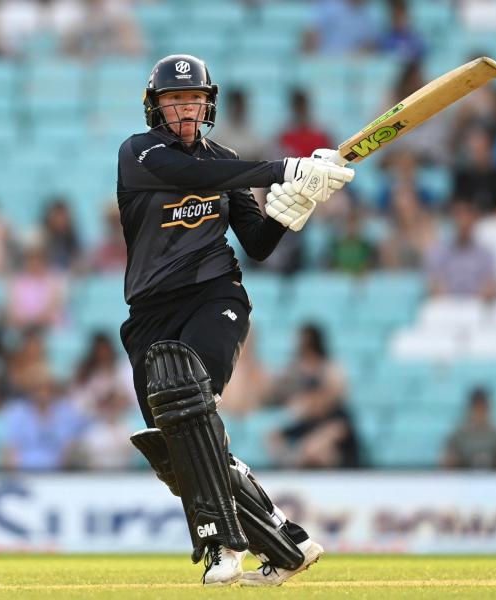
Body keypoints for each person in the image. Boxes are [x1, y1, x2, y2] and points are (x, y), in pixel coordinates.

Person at [115, 54, 354, 586]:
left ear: (208, 106)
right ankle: (288, 543)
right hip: (149, 313)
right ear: (155, 108)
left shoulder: (225, 162)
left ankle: (223, 542)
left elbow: (259, 244)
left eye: (194, 101)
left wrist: (295, 206)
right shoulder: (139, 153)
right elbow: (192, 173)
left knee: (187, 399)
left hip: (214, 296)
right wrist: (283, 168)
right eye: (174, 102)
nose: (185, 110)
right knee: (177, 446)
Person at [268, 325, 359, 469]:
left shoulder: (339, 421)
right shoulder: (298, 372)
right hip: (309, 426)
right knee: (274, 437)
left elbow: (316, 444)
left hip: (341, 466)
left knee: (322, 452)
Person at [444, 388, 496, 469]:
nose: (479, 412)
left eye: (483, 408)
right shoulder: (460, 432)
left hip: (494, 478)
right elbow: (449, 455)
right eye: (477, 408)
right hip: (463, 477)